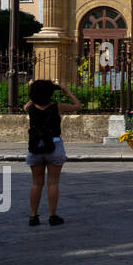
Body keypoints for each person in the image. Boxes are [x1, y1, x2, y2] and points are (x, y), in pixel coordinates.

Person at [25, 79, 81, 227]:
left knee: (36, 183)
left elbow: (28, 103)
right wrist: (66, 90)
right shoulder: (58, 107)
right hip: (54, 145)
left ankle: (33, 216)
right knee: (53, 183)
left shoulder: (30, 108)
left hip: (36, 147)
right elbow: (78, 106)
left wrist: (34, 92)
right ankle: (52, 216)